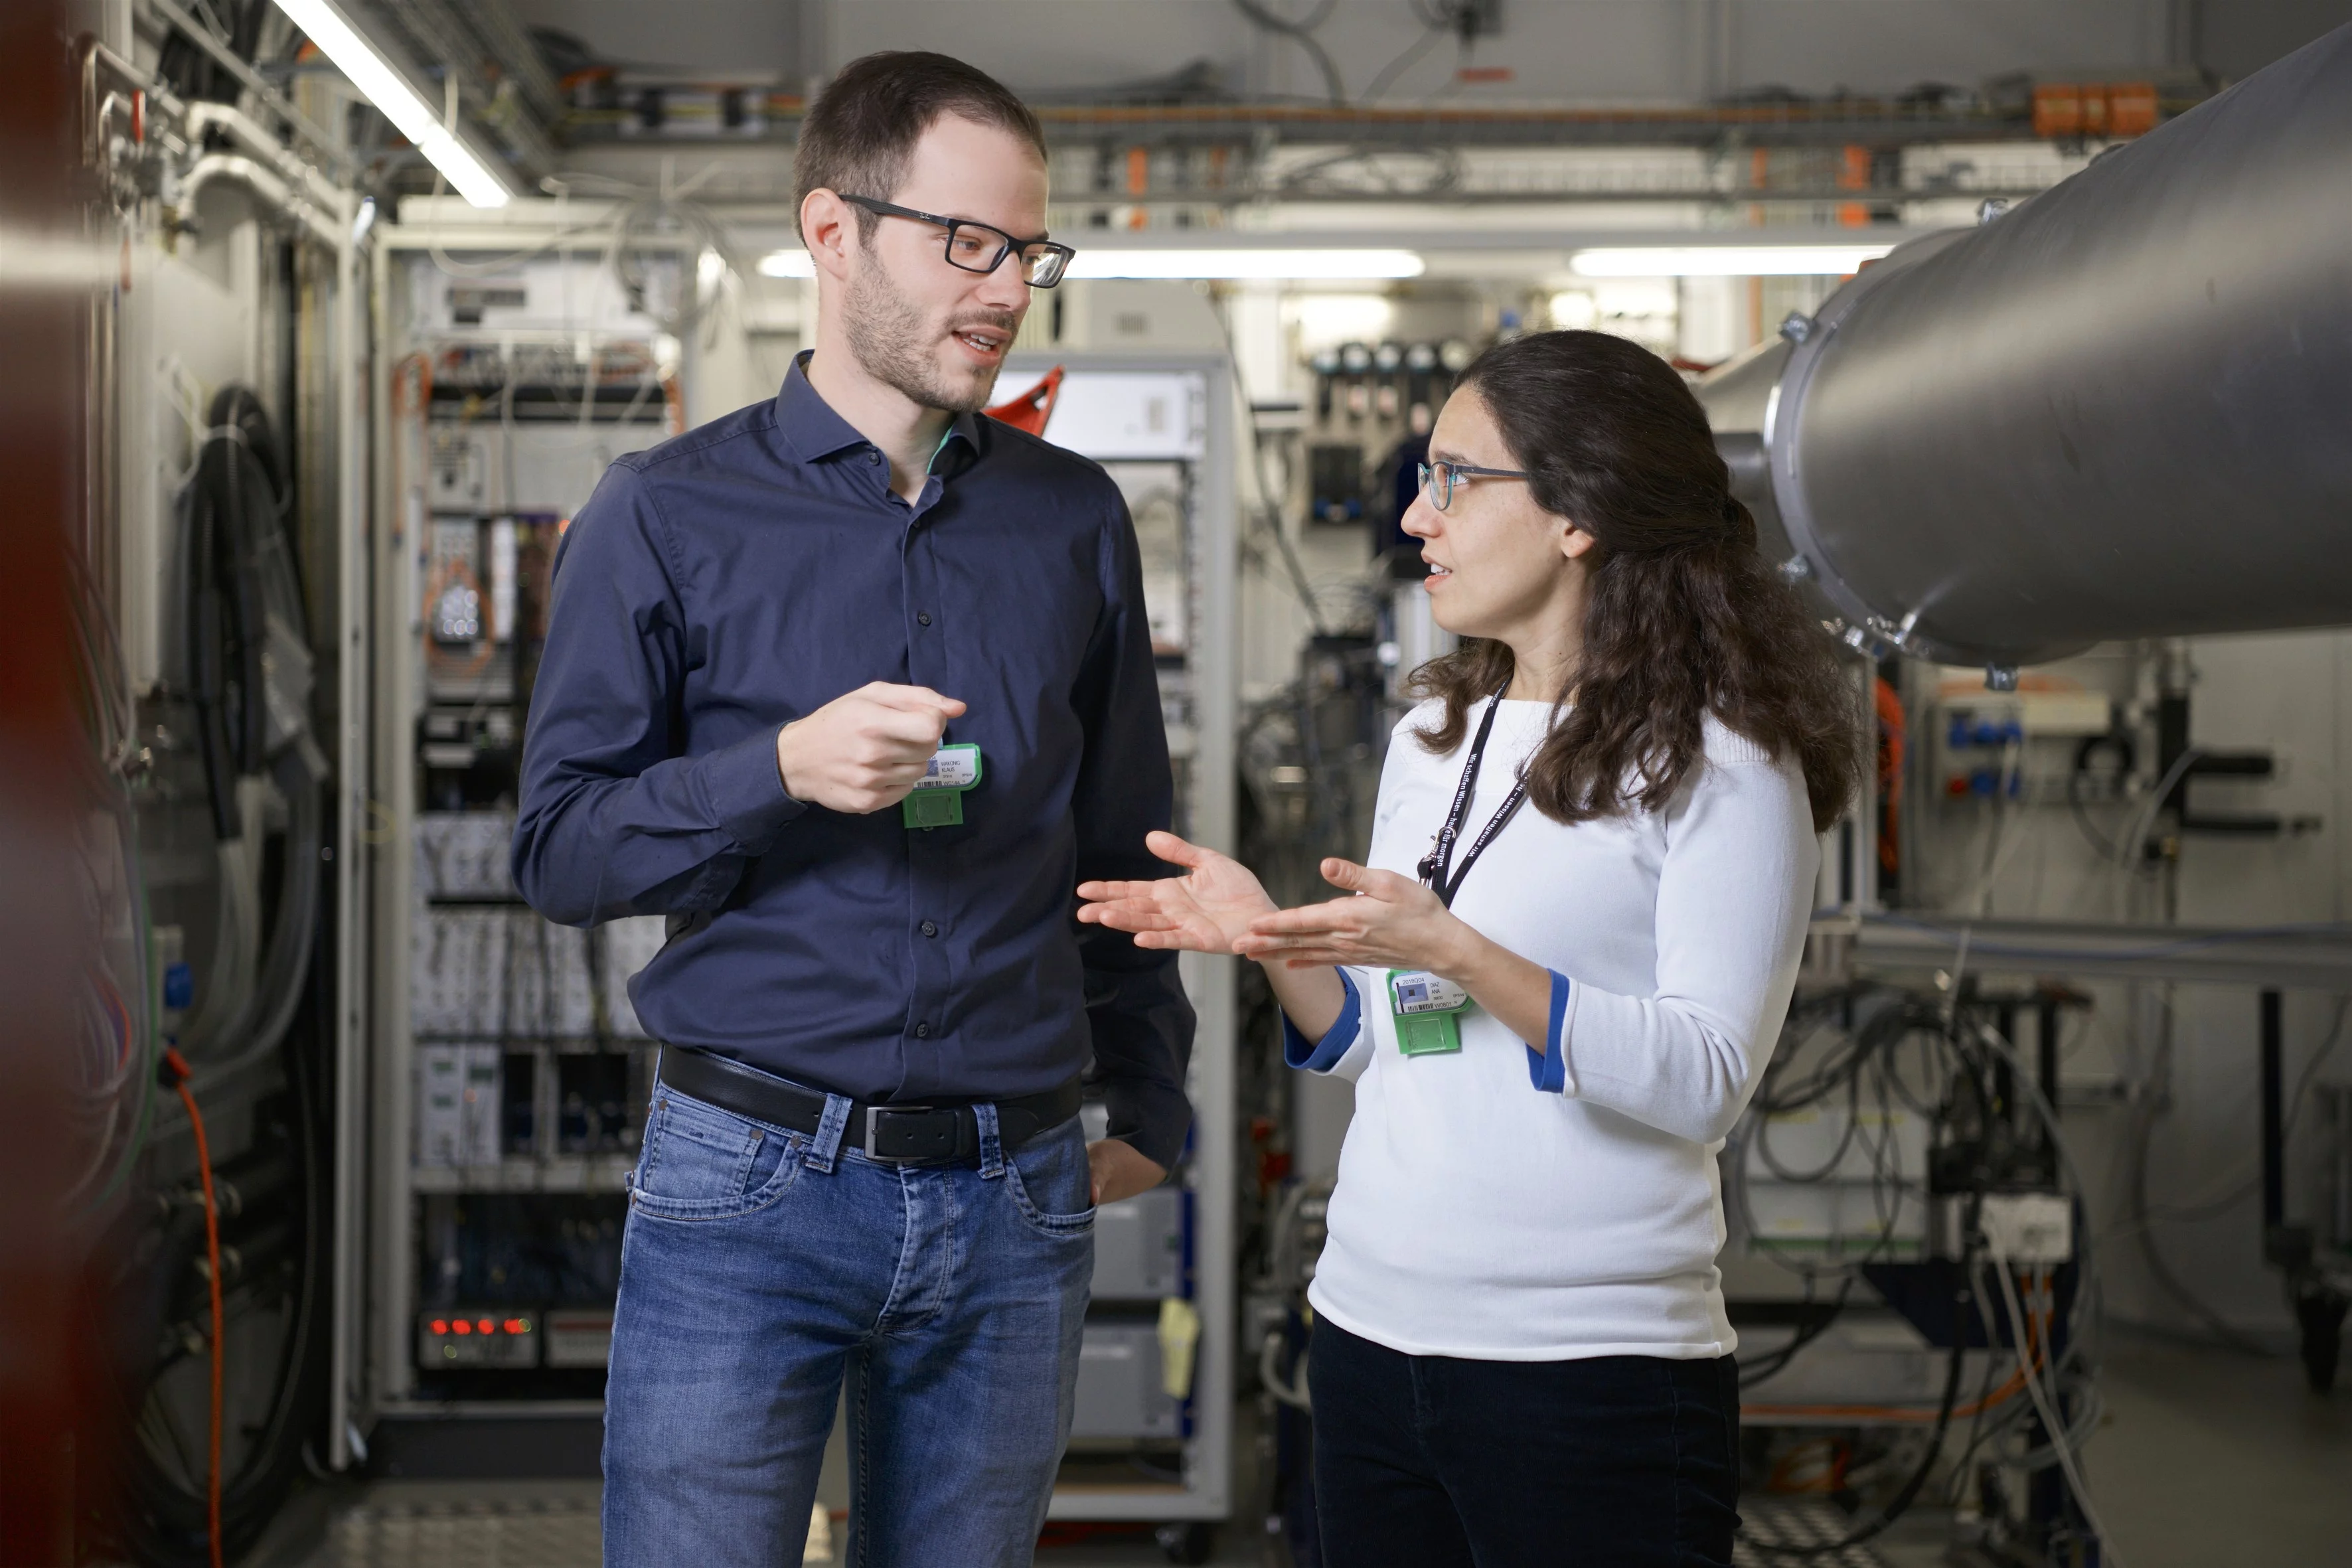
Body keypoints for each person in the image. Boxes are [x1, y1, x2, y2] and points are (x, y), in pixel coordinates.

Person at [512, 51, 1192, 1568]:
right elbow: (558, 847)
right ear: (832, 231)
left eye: (1028, 251)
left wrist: (1150, 1088)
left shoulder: (1072, 519)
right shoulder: (666, 511)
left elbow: (1120, 841)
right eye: (969, 242)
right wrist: (776, 771)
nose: (1009, 288)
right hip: (747, 1179)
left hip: (1018, 1188)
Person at [1078, 329, 1859, 1567]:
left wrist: (1462, 953)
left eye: (1453, 477)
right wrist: (1272, 937)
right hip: (1370, 1332)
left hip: (1587, 1368)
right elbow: (1379, 1040)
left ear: (1576, 515)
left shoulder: (1722, 760)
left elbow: (1705, 1077)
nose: (1413, 511)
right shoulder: (1438, 731)